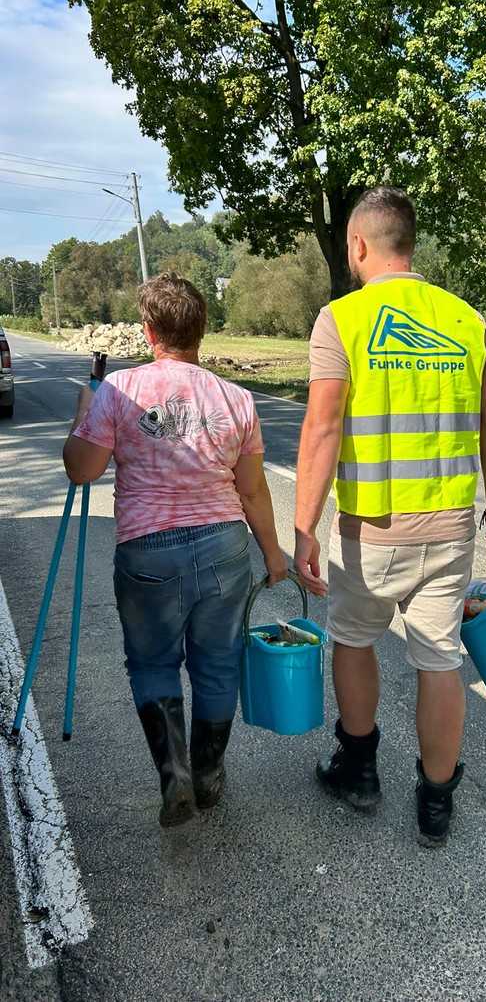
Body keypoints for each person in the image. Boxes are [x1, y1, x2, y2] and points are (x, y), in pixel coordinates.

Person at [294, 187, 486, 847]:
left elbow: (323, 427)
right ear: (410, 245)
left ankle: (358, 769)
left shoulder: (342, 319)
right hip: (448, 526)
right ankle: (435, 802)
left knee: (355, 640)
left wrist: (303, 525)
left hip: (369, 530)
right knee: (438, 658)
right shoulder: (468, 321)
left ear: (358, 245)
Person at [63, 272, 287, 828]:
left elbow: (81, 469)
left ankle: (175, 776)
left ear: (148, 330)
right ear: (202, 331)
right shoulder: (236, 399)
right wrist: (274, 556)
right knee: (217, 664)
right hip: (223, 547)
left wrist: (81, 413)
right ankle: (209, 773)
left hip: (148, 552)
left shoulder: (117, 393)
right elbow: (253, 489)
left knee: (153, 664)